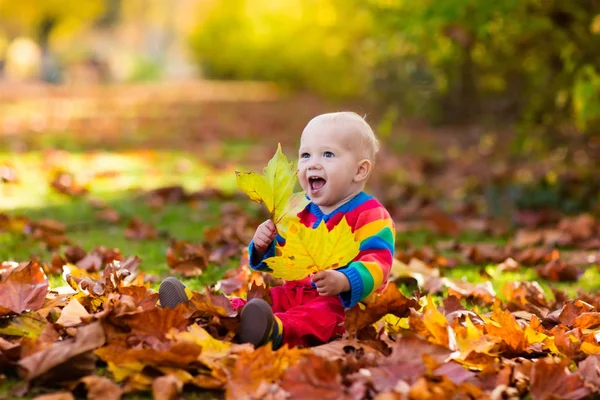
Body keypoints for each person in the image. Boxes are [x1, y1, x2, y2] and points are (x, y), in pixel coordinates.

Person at [159, 111, 395, 349]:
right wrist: (265, 246)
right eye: (305, 154)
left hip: (342, 304)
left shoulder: (371, 214)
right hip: (294, 291)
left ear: (360, 170)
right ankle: (200, 309)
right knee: (263, 301)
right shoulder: (299, 208)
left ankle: (273, 330)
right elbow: (285, 256)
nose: (313, 163)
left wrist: (345, 280)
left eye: (328, 154)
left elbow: (378, 263)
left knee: (316, 317)